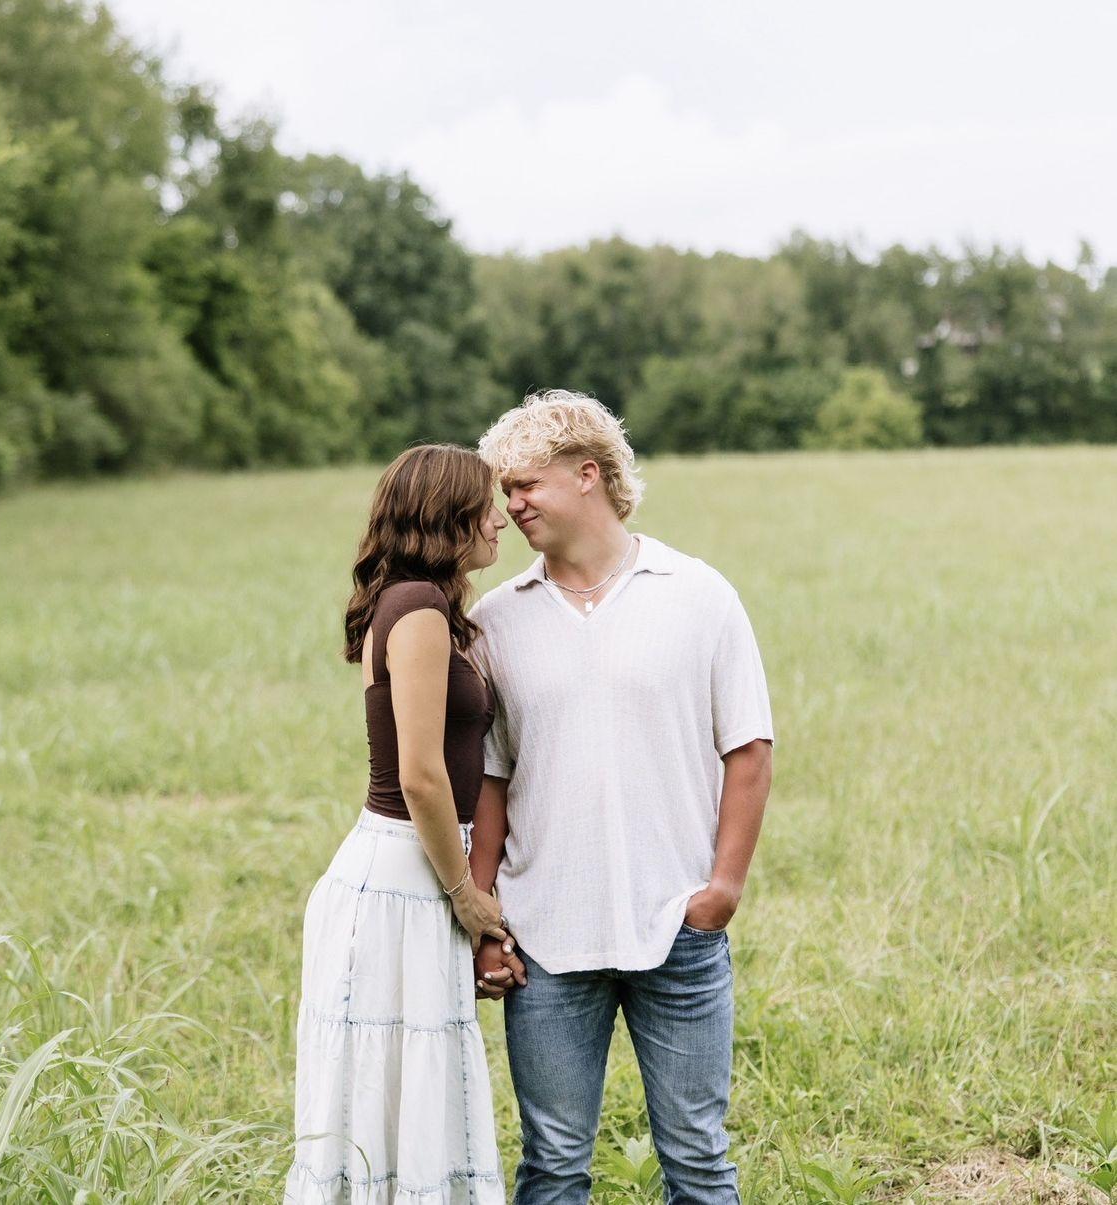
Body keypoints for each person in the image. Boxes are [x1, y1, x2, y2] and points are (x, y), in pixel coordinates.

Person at [469, 390, 774, 1205]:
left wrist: (722, 891)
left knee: (699, 1162)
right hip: (547, 939)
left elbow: (747, 747)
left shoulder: (698, 593)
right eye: (507, 492)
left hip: (676, 925)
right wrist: (487, 912)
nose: (512, 506)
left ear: (588, 475)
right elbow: (492, 778)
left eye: (526, 485)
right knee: (555, 1164)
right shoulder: (497, 619)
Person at [284, 444, 512, 1205]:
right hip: (401, 873)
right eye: (486, 505)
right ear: (447, 517)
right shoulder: (414, 609)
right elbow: (419, 774)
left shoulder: (435, 610)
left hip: (413, 869)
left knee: (409, 1094)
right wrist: (464, 893)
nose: (502, 518)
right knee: (393, 1095)